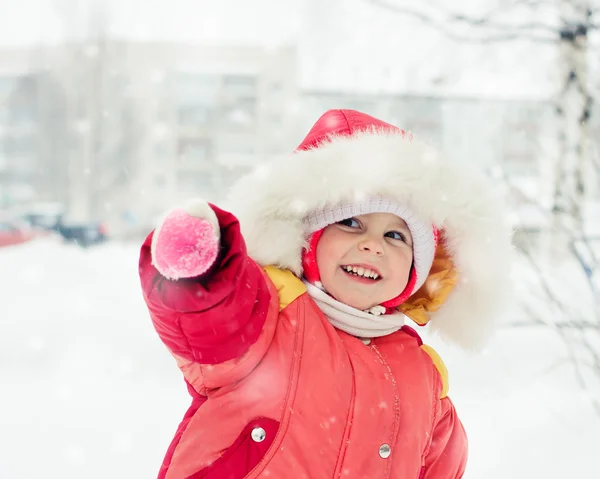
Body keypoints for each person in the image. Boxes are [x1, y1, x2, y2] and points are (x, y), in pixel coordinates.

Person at [139, 109, 513, 479]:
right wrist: (206, 264)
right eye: (351, 223)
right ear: (308, 240)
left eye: (395, 235)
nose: (373, 246)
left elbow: (438, 466)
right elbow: (209, 315)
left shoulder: (423, 374)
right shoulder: (269, 314)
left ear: (417, 271)